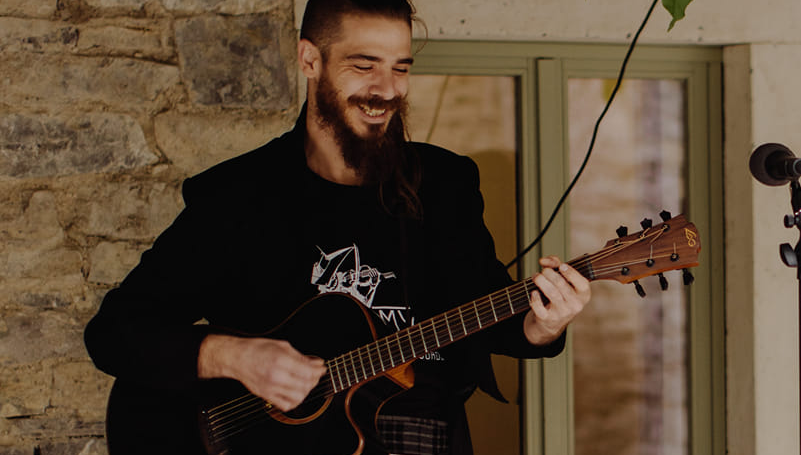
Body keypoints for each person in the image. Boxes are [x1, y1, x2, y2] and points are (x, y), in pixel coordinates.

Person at [82, 1, 591, 454]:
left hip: (421, 436)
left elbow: (487, 305)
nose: (387, 90)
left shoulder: (444, 184)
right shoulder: (237, 197)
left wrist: (542, 325)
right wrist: (235, 357)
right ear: (309, 60)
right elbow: (114, 334)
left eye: (401, 68)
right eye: (363, 65)